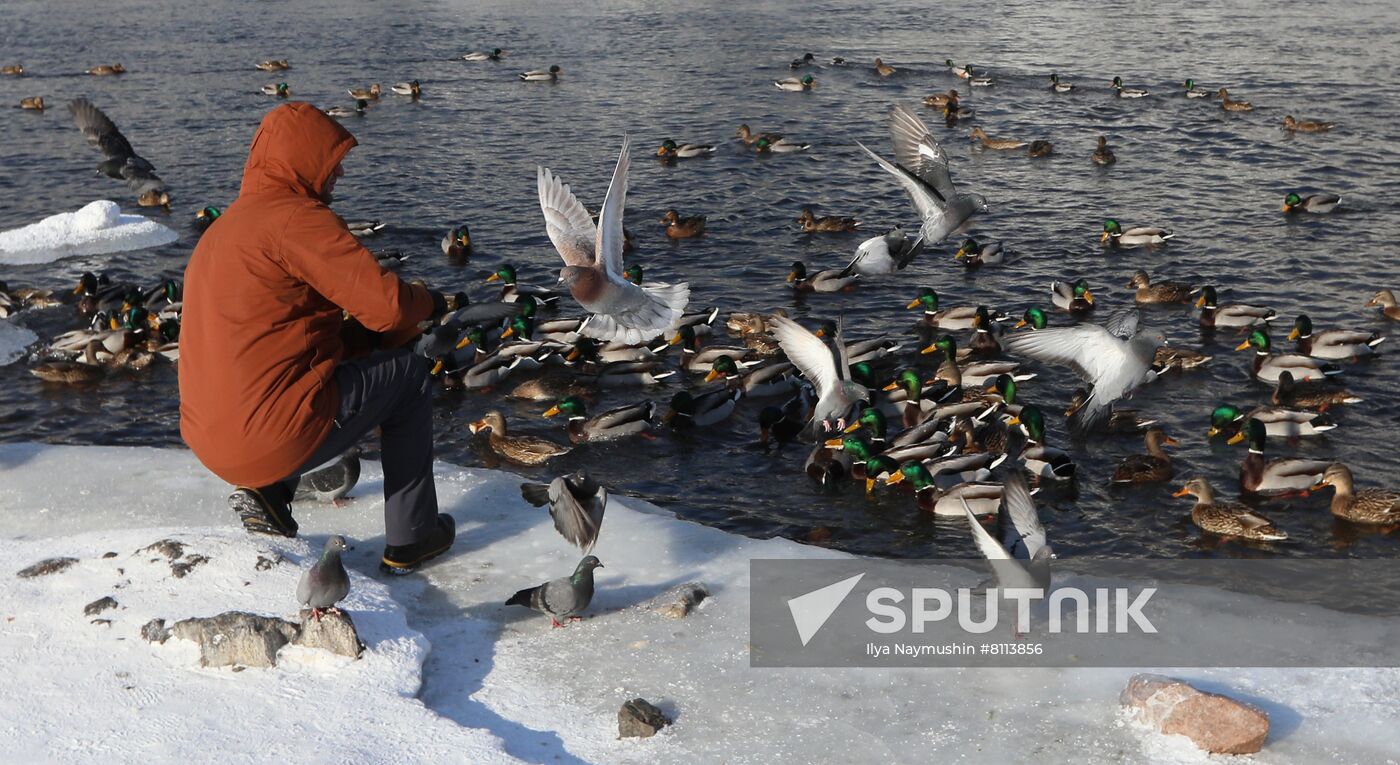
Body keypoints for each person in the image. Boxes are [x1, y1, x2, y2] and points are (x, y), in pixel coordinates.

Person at [179, 102, 455, 574]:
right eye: (332, 160)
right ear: (303, 161)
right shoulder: (296, 219)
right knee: (409, 376)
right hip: (266, 438)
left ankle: (269, 491)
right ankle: (413, 538)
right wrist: (431, 303)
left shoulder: (225, 229)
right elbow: (388, 307)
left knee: (314, 375)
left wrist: (369, 338)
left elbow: (287, 340)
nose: (340, 172)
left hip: (210, 439)